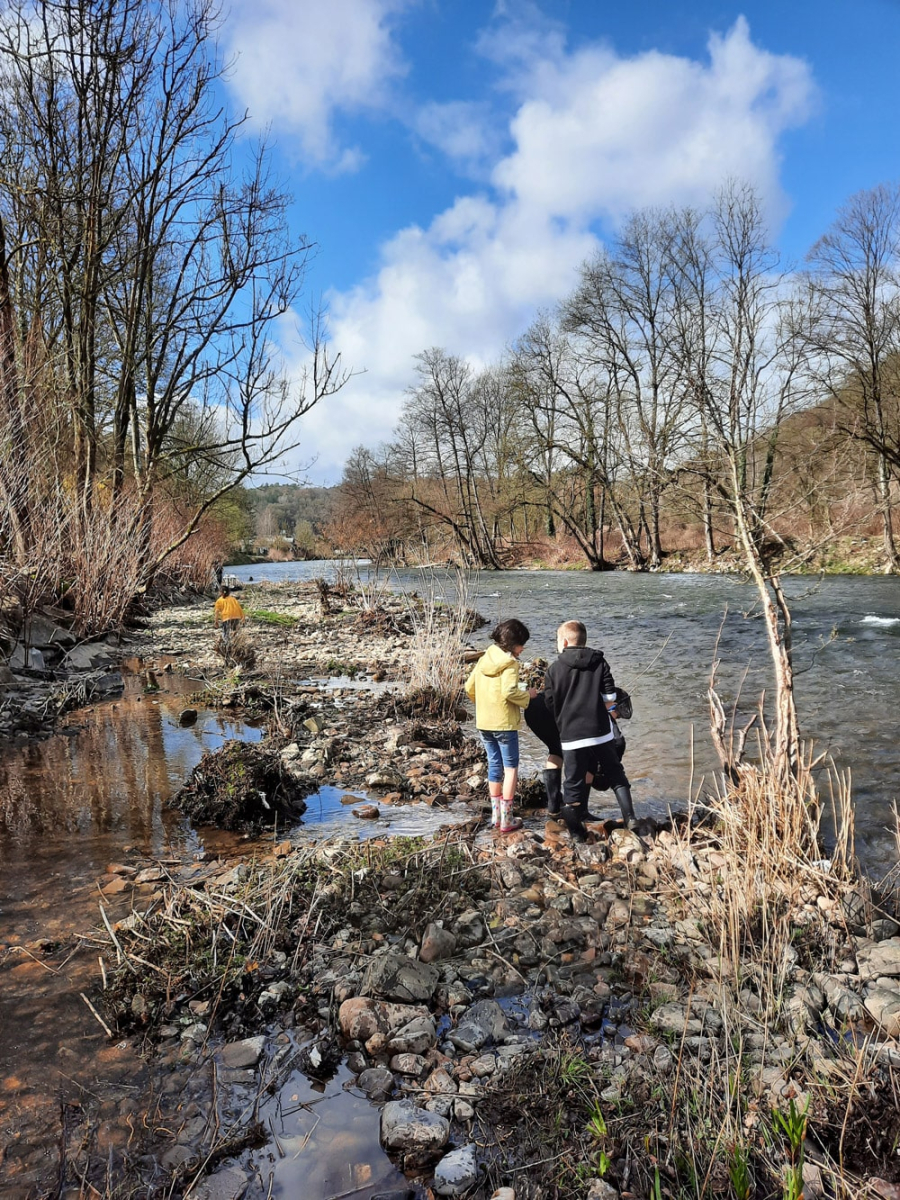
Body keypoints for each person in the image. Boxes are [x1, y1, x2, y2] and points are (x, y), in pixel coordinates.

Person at [544, 619, 636, 841]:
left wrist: (562, 719)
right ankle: (631, 818)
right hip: (601, 733)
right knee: (616, 775)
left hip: (571, 737)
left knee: (572, 786)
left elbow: (549, 702)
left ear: (564, 642)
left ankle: (577, 834)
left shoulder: (554, 669)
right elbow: (610, 698)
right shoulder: (599, 662)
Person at [465, 618, 535, 833]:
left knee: (494, 765)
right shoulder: (511, 664)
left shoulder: (485, 658)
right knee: (511, 767)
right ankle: (507, 819)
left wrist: (485, 704)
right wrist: (528, 696)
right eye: (522, 645)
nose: (523, 649)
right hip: (504, 723)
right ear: (514, 645)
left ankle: (496, 817)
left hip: (484, 721)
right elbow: (509, 692)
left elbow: (469, 687)